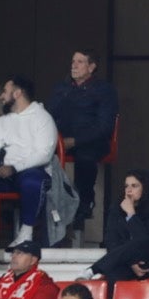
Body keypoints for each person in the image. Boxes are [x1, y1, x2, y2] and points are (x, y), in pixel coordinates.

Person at [46, 50, 119, 230]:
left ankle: (85, 202)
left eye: (80, 62)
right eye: (73, 61)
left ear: (92, 66)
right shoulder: (62, 88)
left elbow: (105, 127)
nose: (74, 65)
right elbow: (48, 115)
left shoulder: (104, 90)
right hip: (60, 140)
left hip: (91, 141)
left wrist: (75, 141)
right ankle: (48, 199)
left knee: (85, 155)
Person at [0, 76, 59, 243]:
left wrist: (14, 167)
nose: (1, 96)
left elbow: (44, 154)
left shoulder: (43, 118)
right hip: (5, 173)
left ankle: (26, 232)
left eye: (5, 92)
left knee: (30, 180)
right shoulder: (1, 122)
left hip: (33, 171)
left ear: (17, 93)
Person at [91, 170, 149, 280]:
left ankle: (92, 270)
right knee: (114, 274)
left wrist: (131, 215)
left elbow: (146, 240)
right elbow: (111, 240)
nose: (129, 190)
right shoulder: (117, 208)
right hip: (127, 261)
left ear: (145, 187)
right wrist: (130, 261)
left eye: (134, 186)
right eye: (126, 186)